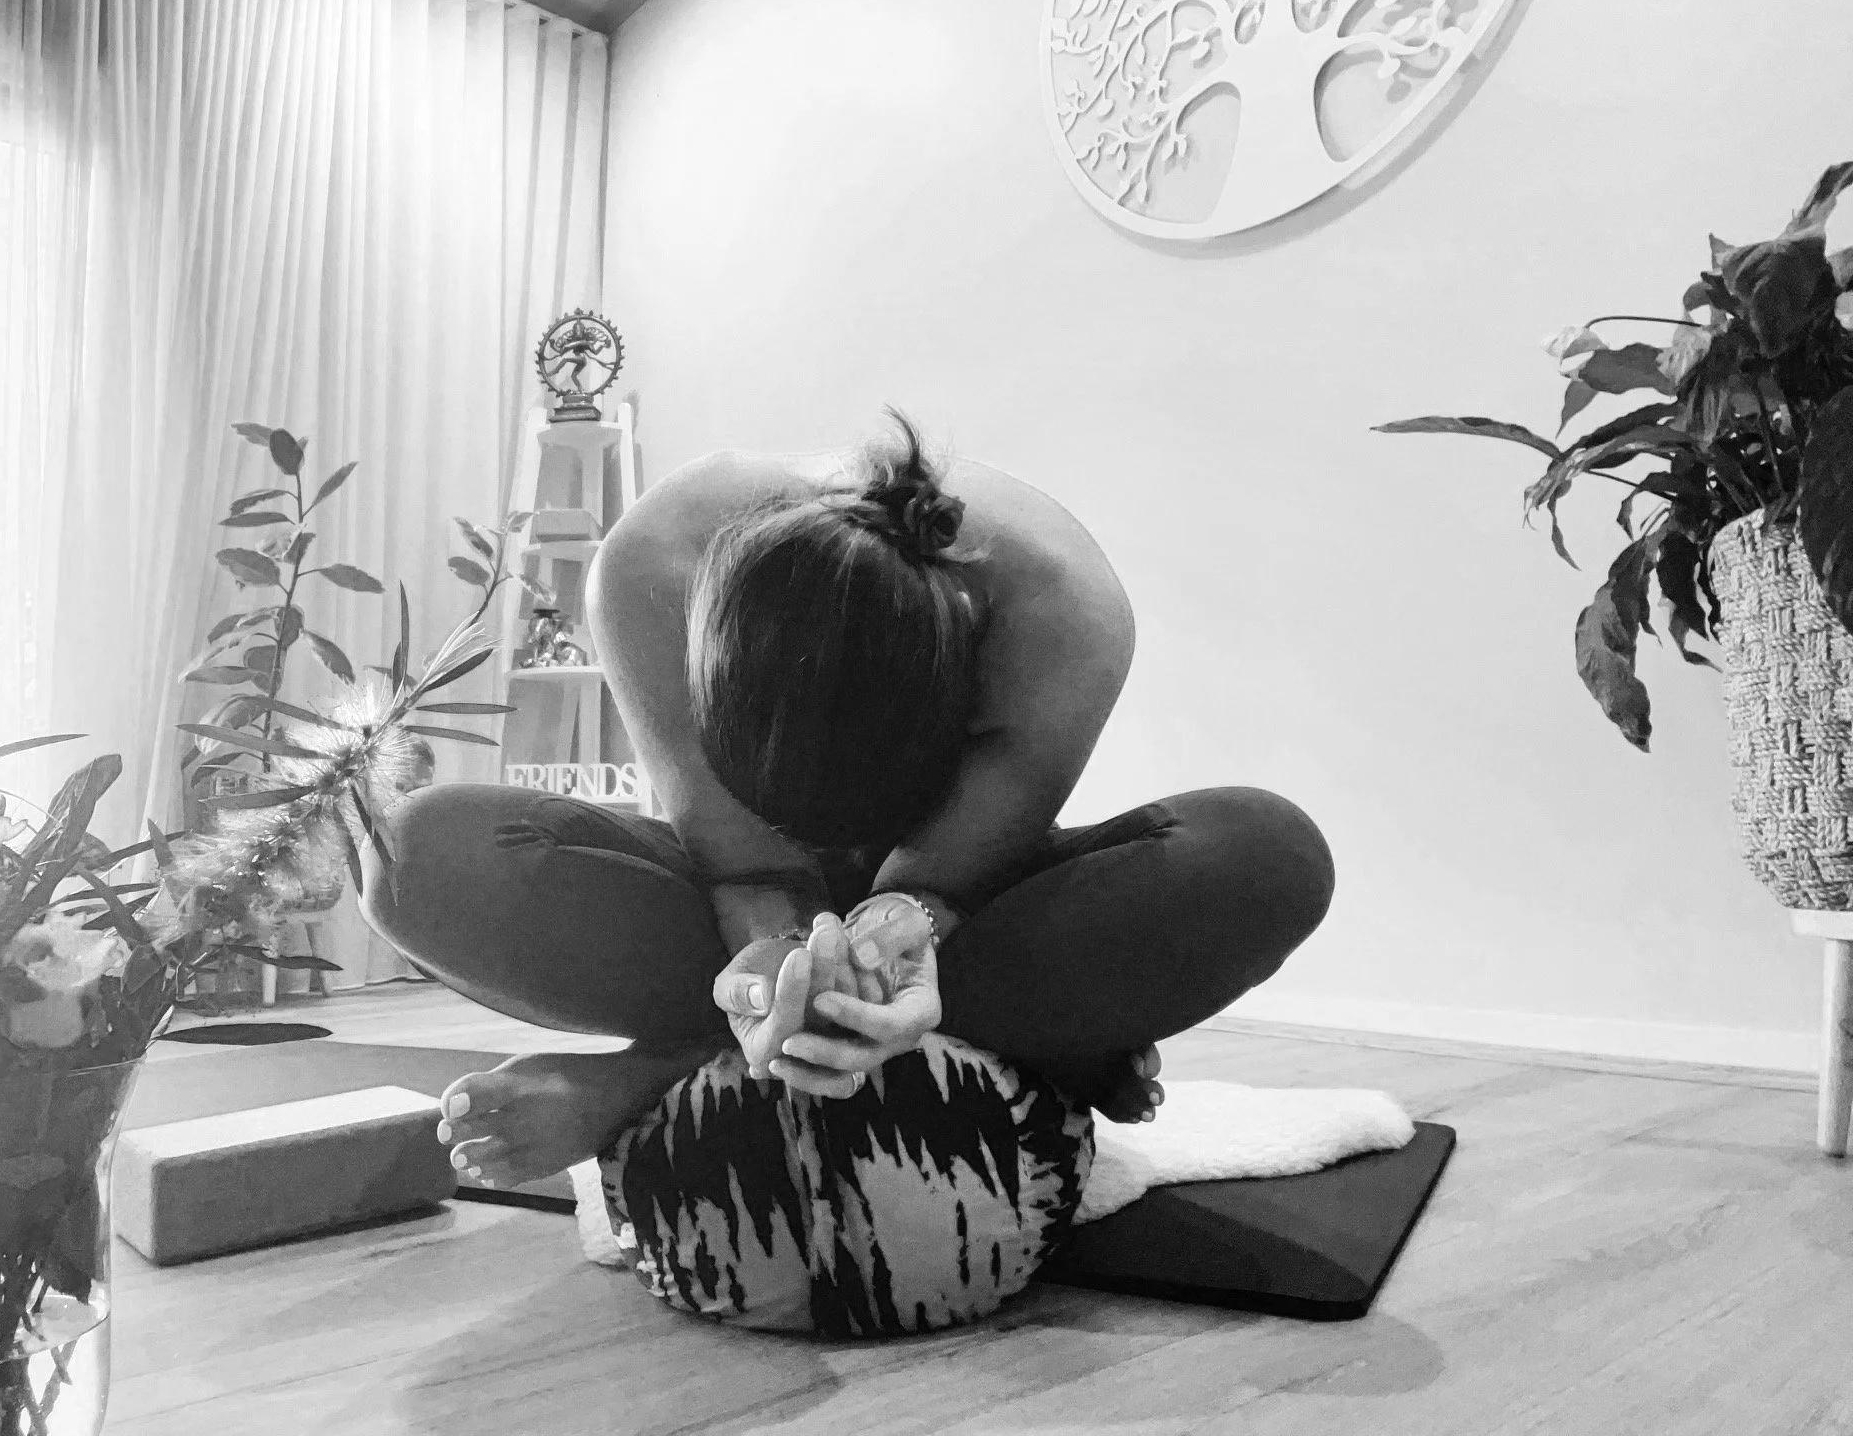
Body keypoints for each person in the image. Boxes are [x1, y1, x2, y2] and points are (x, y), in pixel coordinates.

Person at [363, 412, 1335, 1190]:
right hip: (732, 882)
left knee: (1263, 856)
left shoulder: (1062, 612)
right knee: (410, 858)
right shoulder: (649, 568)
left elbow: (923, 896)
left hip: (971, 901)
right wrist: (767, 964)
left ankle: (650, 1079)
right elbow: (747, 868)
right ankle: (1028, 1051)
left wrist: (892, 936)